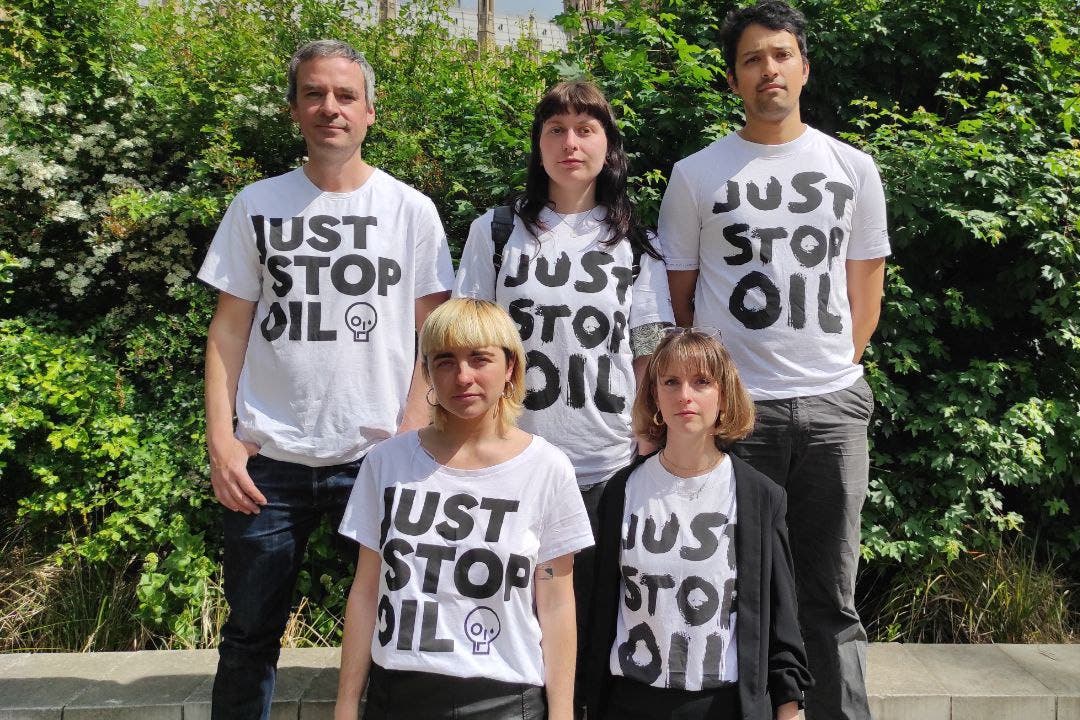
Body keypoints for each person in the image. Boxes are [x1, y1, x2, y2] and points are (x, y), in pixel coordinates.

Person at [198, 39, 454, 720]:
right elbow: (227, 332)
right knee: (249, 636)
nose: (329, 108)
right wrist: (222, 442)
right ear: (294, 110)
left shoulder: (411, 211)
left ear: (371, 111)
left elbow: (436, 339)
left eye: (345, 95)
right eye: (314, 94)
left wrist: (410, 433)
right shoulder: (257, 205)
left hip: (376, 457)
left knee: (398, 632)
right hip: (267, 464)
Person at [659, 2, 890, 718]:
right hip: (740, 413)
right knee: (738, 582)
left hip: (832, 407)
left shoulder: (852, 167)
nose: (770, 70)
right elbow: (680, 301)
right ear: (734, 79)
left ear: (804, 67)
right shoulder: (697, 175)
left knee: (830, 592)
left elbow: (865, 288)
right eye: (754, 59)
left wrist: (831, 370)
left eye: (782, 55)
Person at [453, 80, 674, 712]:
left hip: (603, 463)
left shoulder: (634, 239)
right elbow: (465, 337)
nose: (570, 143)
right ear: (537, 143)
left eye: (585, 129)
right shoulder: (498, 232)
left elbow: (648, 345)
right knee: (507, 613)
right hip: (511, 459)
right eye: (555, 129)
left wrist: (646, 430)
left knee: (597, 619)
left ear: (609, 145)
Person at [334, 298, 594, 720]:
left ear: (510, 367)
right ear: (427, 372)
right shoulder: (387, 463)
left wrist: (562, 712)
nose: (463, 376)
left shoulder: (547, 469)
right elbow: (366, 591)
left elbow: (557, 603)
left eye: (479, 358)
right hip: (398, 694)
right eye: (445, 360)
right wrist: (346, 704)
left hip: (506, 700)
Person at [585, 328, 811, 719]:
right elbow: (594, 612)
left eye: (701, 382)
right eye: (671, 382)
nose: (684, 395)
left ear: (723, 396)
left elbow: (781, 623)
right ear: (654, 395)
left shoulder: (759, 496)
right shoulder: (620, 492)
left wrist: (788, 709)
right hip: (630, 703)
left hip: (722, 706)